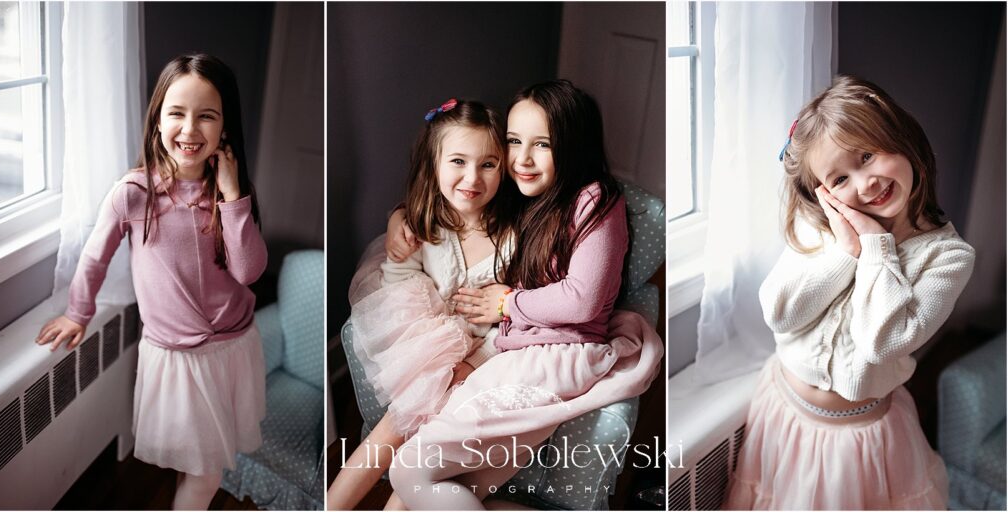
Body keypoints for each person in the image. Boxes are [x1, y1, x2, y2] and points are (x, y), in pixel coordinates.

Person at [384, 80, 663, 510]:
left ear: (571, 145)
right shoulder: (527, 192)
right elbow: (458, 204)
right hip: (515, 351)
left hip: (553, 357)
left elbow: (583, 300)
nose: (522, 159)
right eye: (513, 142)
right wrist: (400, 217)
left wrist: (506, 302)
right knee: (441, 493)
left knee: (408, 470)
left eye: (543, 145)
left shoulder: (594, 200)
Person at [726, 75, 975, 510]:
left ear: (901, 139)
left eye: (868, 155)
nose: (865, 184)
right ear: (823, 195)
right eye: (839, 179)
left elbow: (885, 341)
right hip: (784, 413)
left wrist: (874, 248)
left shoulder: (947, 257)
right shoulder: (821, 230)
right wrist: (845, 251)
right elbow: (780, 313)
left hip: (860, 439)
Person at [35, 54, 267, 510]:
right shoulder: (134, 193)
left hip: (233, 348)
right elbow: (94, 257)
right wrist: (78, 312)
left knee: (203, 463)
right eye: (177, 113)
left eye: (207, 116)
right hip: (178, 357)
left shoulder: (229, 192)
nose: (190, 129)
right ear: (158, 119)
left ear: (225, 127)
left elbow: (249, 271)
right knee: (203, 473)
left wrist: (234, 195)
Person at [327, 99, 517, 510]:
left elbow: (514, 316)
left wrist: (472, 362)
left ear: (504, 167)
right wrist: (438, 352)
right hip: (427, 350)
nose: (472, 177)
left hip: (483, 365)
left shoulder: (513, 239)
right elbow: (397, 293)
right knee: (399, 426)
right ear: (434, 164)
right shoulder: (423, 224)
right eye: (458, 162)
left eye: (488, 164)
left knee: (422, 455)